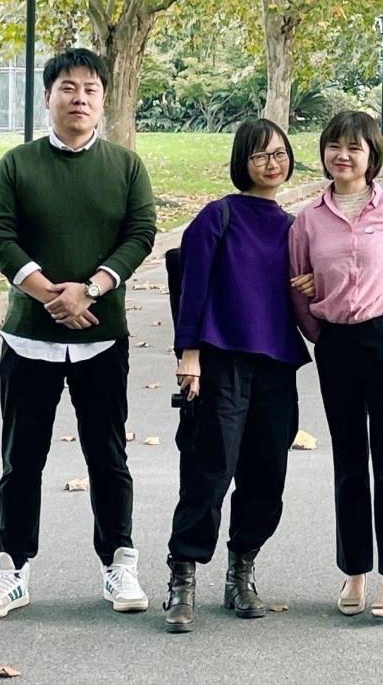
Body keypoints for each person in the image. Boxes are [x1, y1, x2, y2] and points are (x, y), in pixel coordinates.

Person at [0, 48, 157, 621]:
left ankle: (119, 561)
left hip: (102, 336)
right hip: (29, 338)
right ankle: (11, 569)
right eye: (68, 88)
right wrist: (52, 295)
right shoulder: (16, 165)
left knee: (108, 456)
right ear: (48, 96)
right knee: (21, 460)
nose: (79, 99)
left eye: (90, 89)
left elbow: (141, 233)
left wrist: (91, 290)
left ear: (103, 99)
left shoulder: (125, 166)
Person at [162, 118, 311, 632]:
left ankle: (241, 569)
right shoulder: (218, 216)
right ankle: (182, 576)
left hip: (276, 363)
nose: (273, 163)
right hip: (220, 360)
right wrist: (189, 355)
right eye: (260, 155)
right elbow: (193, 289)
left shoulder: (295, 226)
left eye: (280, 153)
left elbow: (305, 290)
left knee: (266, 475)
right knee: (208, 470)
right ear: (242, 162)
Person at [288, 110, 383, 618]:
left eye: (354, 147)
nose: (343, 156)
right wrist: (320, 333)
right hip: (336, 344)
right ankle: (354, 571)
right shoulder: (308, 220)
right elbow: (298, 285)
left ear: (372, 155)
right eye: (334, 146)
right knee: (348, 461)